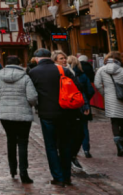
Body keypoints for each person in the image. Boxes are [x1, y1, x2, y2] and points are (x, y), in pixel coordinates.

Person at [29, 48, 78, 187]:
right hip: (65, 112)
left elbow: (31, 94)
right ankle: (67, 176)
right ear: (50, 57)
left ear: (37, 59)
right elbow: (78, 87)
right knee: (65, 145)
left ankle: (58, 177)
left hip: (46, 113)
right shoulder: (63, 70)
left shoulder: (33, 72)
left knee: (51, 146)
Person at [0, 56, 37, 185]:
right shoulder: (25, 77)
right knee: (23, 143)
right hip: (23, 115)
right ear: (19, 64)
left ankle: (12, 169)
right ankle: (24, 172)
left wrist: (5, 102)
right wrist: (29, 104)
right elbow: (32, 97)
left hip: (6, 116)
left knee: (11, 141)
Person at [95, 51, 123, 157]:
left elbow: (97, 84)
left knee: (114, 121)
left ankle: (119, 146)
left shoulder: (101, 70)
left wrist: (105, 93)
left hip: (110, 99)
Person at [69, 58, 94, 166]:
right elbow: (90, 90)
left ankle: (73, 151)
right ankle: (86, 149)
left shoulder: (67, 75)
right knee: (84, 128)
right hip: (83, 105)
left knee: (71, 129)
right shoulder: (82, 75)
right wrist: (86, 100)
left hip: (70, 106)